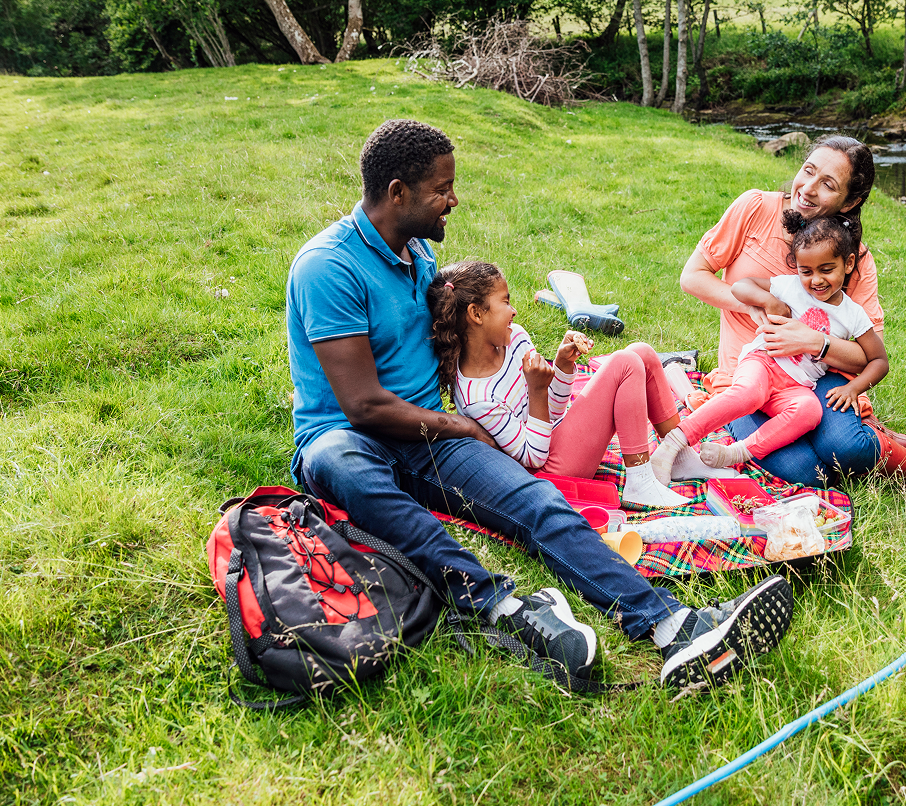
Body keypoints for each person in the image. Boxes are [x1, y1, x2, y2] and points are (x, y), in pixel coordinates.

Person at [285, 118, 795, 690]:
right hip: (351, 433)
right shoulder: (327, 266)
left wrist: (522, 382)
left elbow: (456, 347)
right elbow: (362, 405)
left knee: (539, 503)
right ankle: (506, 607)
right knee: (340, 463)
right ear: (397, 192)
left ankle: (675, 626)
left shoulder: (419, 259)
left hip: (430, 434)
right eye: (441, 189)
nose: (453, 200)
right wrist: (462, 425)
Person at [679, 135, 906, 507]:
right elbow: (693, 275)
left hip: (817, 376)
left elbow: (867, 355)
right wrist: (758, 306)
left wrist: (813, 341)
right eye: (807, 172)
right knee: (804, 469)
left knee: (846, 448)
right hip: (750, 372)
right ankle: (870, 441)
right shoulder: (754, 207)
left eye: (828, 184)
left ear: (850, 201)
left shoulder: (853, 259)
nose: (807, 190)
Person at [427, 260, 737, 510]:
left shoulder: (516, 337)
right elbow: (534, 456)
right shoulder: (476, 396)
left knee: (641, 352)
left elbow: (556, 410)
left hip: (560, 437)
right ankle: (640, 482)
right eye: (505, 302)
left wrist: (561, 367)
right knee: (625, 364)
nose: (514, 310)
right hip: (550, 472)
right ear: (476, 314)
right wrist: (536, 389)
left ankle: (679, 456)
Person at [654, 215, 888, 473]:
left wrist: (854, 388)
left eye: (827, 269)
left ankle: (737, 452)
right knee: (748, 393)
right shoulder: (790, 287)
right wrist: (768, 301)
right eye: (806, 271)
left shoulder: (853, 314)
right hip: (764, 363)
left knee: (810, 410)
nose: (816, 280)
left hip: (797, 386)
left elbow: (879, 361)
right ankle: (675, 441)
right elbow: (741, 286)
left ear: (848, 263)